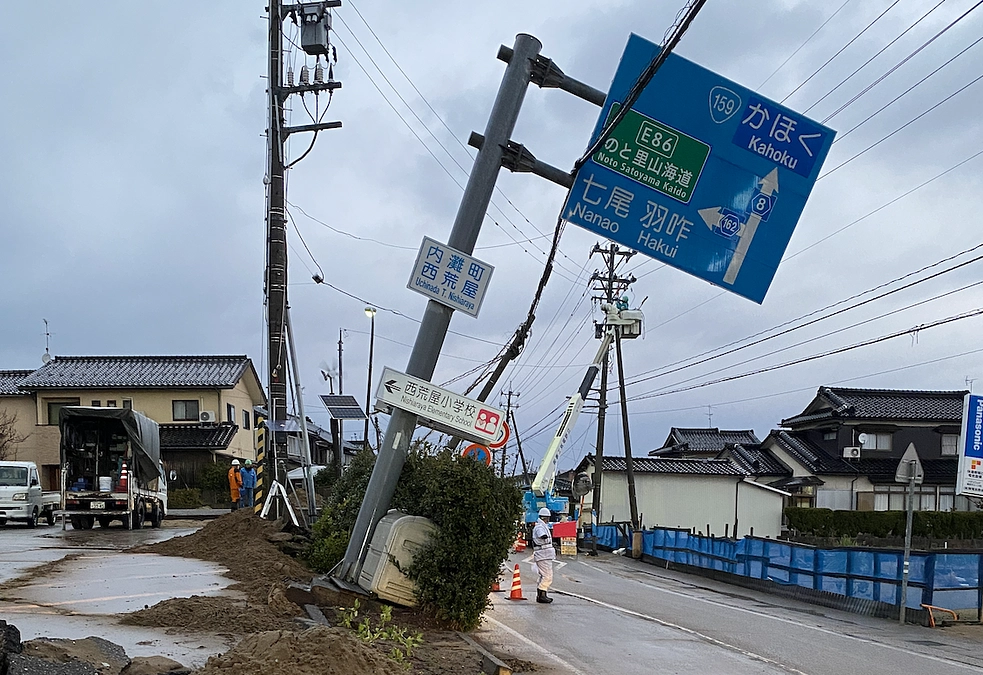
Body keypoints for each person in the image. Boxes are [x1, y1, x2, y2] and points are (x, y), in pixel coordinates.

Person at [531, 507, 556, 604]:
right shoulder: (539, 527)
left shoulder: (542, 526)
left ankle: (542, 594)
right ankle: (542, 595)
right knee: (547, 575)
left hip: (545, 554)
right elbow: (542, 535)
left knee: (544, 575)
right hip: (543, 554)